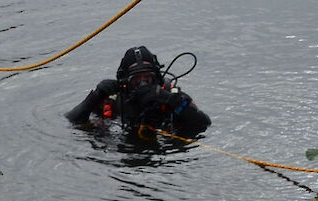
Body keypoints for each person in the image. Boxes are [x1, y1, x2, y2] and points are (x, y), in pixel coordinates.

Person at [66, 45, 210, 137]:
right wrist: (95, 96)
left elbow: (203, 124)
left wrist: (171, 100)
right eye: (136, 79)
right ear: (125, 81)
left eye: (148, 78)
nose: (142, 84)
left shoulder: (169, 95)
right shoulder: (114, 100)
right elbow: (72, 120)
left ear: (157, 78)